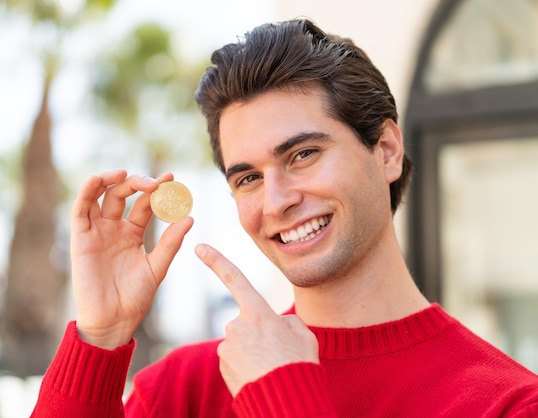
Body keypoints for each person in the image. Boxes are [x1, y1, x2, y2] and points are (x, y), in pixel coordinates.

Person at [31, 18, 538, 417]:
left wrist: (281, 397)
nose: (276, 202)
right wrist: (99, 341)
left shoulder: (510, 404)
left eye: (303, 155)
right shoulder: (182, 390)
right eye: (248, 177)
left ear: (385, 150)